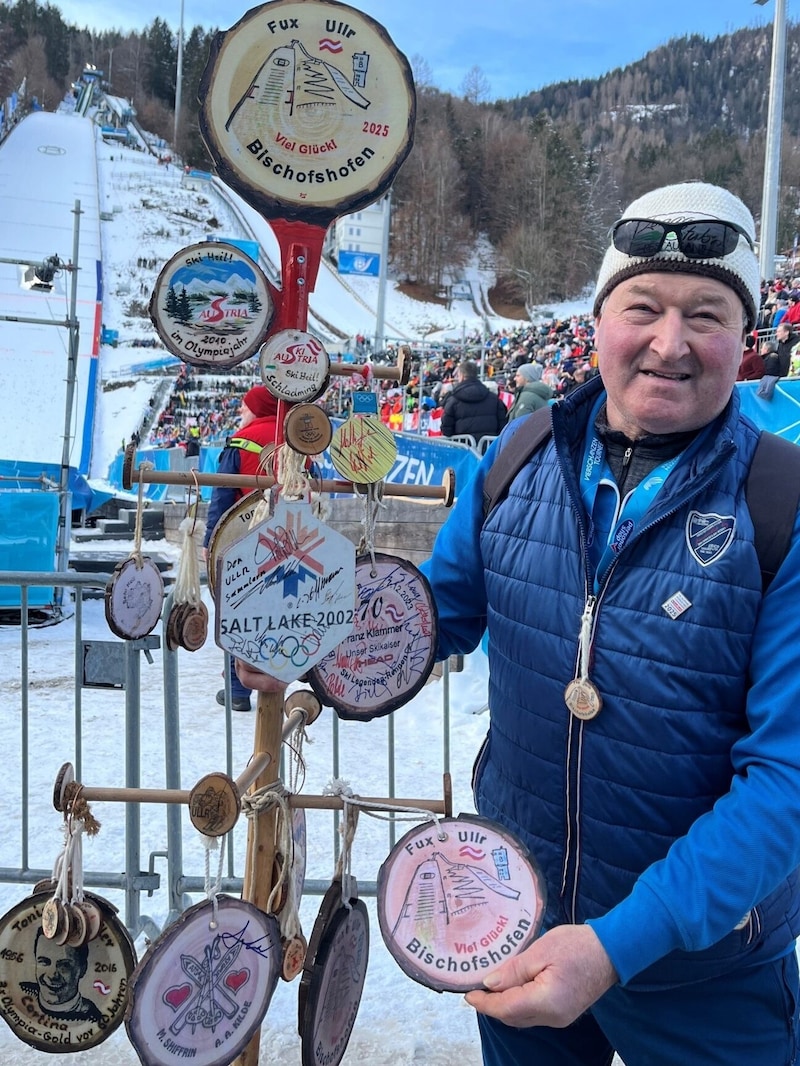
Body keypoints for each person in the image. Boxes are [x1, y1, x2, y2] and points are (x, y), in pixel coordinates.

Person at [419, 181, 800, 1065]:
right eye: (644, 307)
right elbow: (436, 613)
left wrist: (616, 945)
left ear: (744, 339)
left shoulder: (782, 504)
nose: (670, 344)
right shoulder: (514, 460)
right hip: (520, 925)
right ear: (598, 320)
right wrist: (316, 646)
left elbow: (786, 783)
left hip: (710, 976)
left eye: (706, 313)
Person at [202, 385, 280, 711]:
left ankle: (236, 689)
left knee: (239, 609)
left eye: (246, 407)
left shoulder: (240, 441)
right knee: (278, 610)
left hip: (244, 540)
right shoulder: (297, 439)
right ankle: (274, 671)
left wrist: (210, 541)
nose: (242, 413)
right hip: (290, 539)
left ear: (257, 408)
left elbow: (222, 495)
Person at [20, 927, 103, 1023]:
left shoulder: (92, 1017)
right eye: (44, 962)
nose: (52, 975)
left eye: (64, 965)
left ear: (82, 969)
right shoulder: (20, 992)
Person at [440, 360, 508, 441]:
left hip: (463, 448)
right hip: (489, 449)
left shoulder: (453, 400)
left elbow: (446, 429)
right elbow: (503, 425)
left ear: (461, 376)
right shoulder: (494, 399)